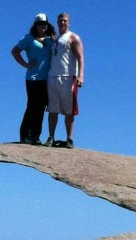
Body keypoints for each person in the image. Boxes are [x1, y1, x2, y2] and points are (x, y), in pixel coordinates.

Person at [11, 13, 56, 145]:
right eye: (40, 24)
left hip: (46, 79)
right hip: (33, 78)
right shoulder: (28, 38)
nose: (43, 26)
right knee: (32, 106)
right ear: (35, 26)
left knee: (41, 107)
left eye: (45, 24)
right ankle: (25, 135)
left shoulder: (49, 40)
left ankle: (36, 136)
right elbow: (15, 51)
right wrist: (25, 64)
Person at [43, 13, 84, 149]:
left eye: (65, 21)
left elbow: (80, 57)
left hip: (68, 76)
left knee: (69, 110)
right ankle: (50, 137)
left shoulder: (73, 37)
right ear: (57, 22)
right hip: (53, 76)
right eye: (60, 21)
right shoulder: (54, 39)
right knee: (52, 109)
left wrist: (81, 75)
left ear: (69, 23)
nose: (62, 23)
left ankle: (69, 139)